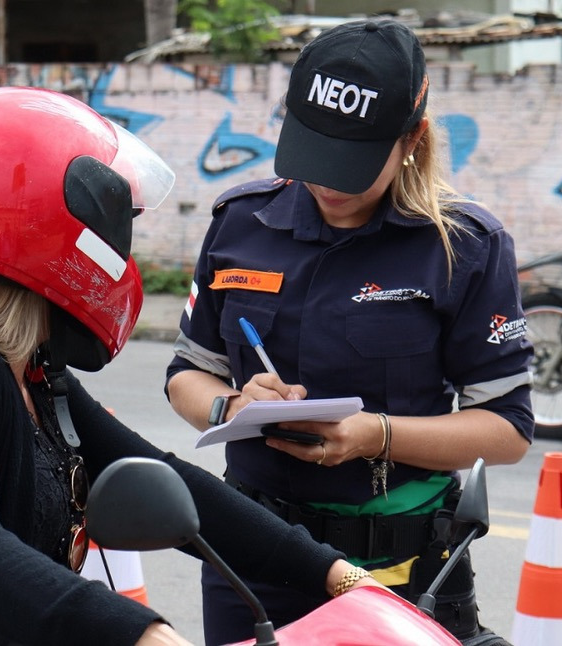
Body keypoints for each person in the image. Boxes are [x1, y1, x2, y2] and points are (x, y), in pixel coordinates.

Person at [0, 86, 388, 646]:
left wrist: (337, 574)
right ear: (55, 226)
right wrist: (145, 633)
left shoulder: (32, 370)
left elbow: (161, 474)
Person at [165, 19, 533, 646]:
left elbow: (507, 430)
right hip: (249, 554)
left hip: (394, 567)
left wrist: (377, 436)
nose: (329, 182)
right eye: (316, 153)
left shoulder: (466, 248)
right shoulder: (240, 224)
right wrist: (231, 405)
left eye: (353, 163)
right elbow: (186, 374)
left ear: (412, 138)